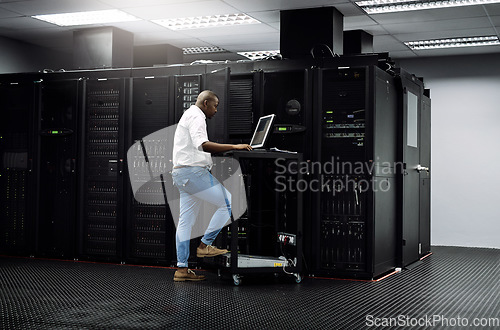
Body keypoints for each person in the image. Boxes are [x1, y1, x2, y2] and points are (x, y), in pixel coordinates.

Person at [171, 90, 252, 282]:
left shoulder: (189, 114)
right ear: (206, 103)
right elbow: (203, 145)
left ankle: (181, 269)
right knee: (227, 202)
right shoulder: (197, 116)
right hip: (193, 172)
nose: (216, 110)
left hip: (182, 174)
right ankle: (204, 246)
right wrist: (235, 146)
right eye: (215, 106)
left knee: (185, 221)